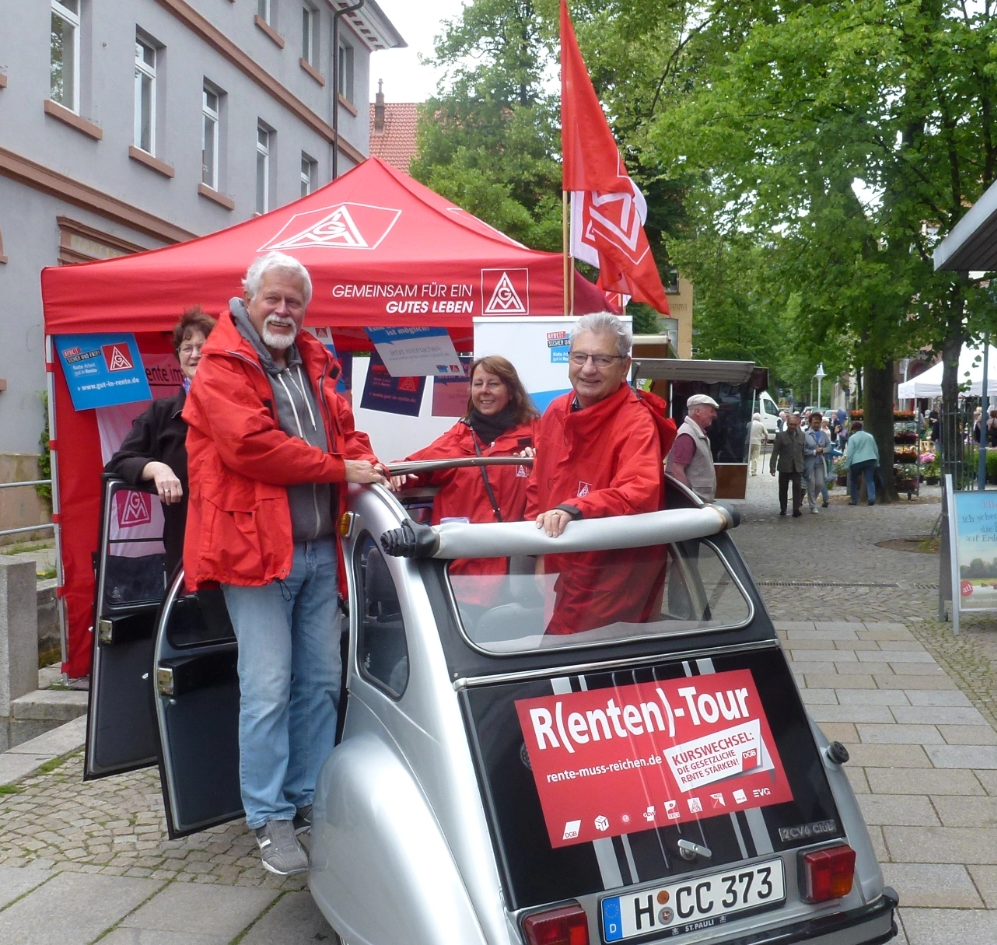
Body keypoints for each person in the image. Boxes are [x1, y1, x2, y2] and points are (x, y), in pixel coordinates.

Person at [183, 251, 385, 877]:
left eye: (295, 301)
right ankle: (269, 817)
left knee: (321, 683)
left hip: (320, 552)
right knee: (268, 689)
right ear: (247, 296)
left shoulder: (313, 362)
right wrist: (338, 469)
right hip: (254, 555)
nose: (284, 310)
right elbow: (249, 447)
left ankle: (309, 802)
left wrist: (368, 466)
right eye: (274, 297)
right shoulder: (220, 364)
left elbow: (344, 435)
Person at [527, 313, 673, 635]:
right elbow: (539, 487)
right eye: (580, 356)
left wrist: (576, 508)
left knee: (585, 670)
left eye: (602, 359)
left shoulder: (635, 422)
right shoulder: (555, 412)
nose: (588, 368)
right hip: (558, 566)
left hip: (610, 580)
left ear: (625, 365)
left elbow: (639, 493)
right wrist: (540, 553)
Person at [397, 356, 539, 578]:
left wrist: (539, 463)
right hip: (460, 574)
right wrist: (395, 474)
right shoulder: (457, 438)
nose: (484, 391)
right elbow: (410, 468)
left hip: (517, 573)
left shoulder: (536, 436)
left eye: (493, 384)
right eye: (478, 383)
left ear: (511, 391)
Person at [105, 307, 216, 585]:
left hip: (241, 548)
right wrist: (156, 468)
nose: (194, 354)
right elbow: (119, 462)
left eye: (202, 347)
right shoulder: (162, 413)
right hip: (186, 551)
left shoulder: (241, 405)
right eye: (186, 347)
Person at [667, 394, 719, 501]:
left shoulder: (695, 433)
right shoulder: (687, 434)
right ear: (697, 412)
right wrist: (689, 498)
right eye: (711, 411)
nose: (714, 415)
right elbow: (676, 470)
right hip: (694, 503)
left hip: (699, 501)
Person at [771, 412, 807, 516]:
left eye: (794, 425)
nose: (792, 426)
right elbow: (775, 452)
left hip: (797, 466)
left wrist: (803, 464)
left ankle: (796, 509)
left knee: (797, 486)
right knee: (783, 488)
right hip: (784, 466)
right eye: (791, 424)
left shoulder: (802, 435)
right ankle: (783, 508)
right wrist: (772, 467)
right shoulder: (781, 436)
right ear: (787, 423)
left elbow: (803, 451)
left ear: (798, 424)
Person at [803, 411, 833, 512]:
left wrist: (823, 450)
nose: (817, 424)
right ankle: (812, 506)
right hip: (810, 463)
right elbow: (803, 450)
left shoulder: (823, 434)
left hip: (820, 462)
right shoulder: (806, 435)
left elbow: (829, 446)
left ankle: (812, 500)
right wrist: (814, 451)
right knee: (811, 484)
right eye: (815, 422)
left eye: (818, 422)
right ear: (810, 423)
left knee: (820, 484)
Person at [845, 420, 879, 506]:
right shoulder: (870, 436)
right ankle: (871, 498)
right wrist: (877, 462)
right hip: (870, 459)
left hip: (857, 461)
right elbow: (875, 450)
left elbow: (850, 453)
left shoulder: (852, 438)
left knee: (853, 481)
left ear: (853, 429)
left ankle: (854, 500)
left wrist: (847, 465)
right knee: (869, 480)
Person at [748, 412, 770, 476]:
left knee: (748, 457)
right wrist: (765, 441)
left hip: (749, 442)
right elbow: (766, 434)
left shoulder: (750, 424)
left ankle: (747, 471)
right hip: (757, 442)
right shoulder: (761, 425)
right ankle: (753, 472)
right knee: (755, 457)